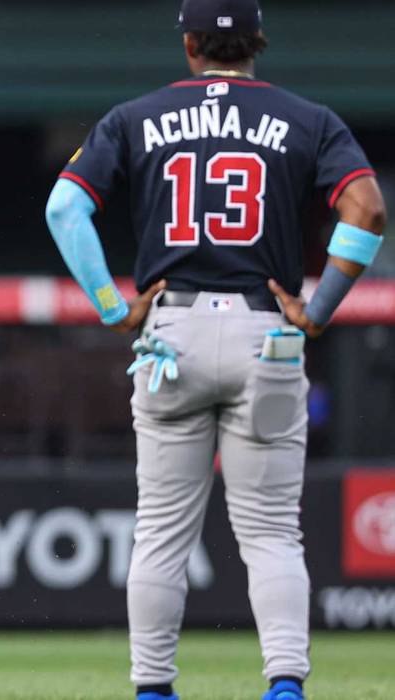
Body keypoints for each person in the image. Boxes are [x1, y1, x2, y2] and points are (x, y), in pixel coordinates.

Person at [43, 2, 386, 700]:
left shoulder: (136, 116)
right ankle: (284, 685)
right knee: (269, 533)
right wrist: (317, 309)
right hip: (268, 332)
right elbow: (367, 208)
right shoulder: (307, 117)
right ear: (256, 41)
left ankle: (152, 689)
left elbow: (63, 208)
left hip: (173, 330)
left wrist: (112, 306)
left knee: (161, 532)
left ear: (190, 43)